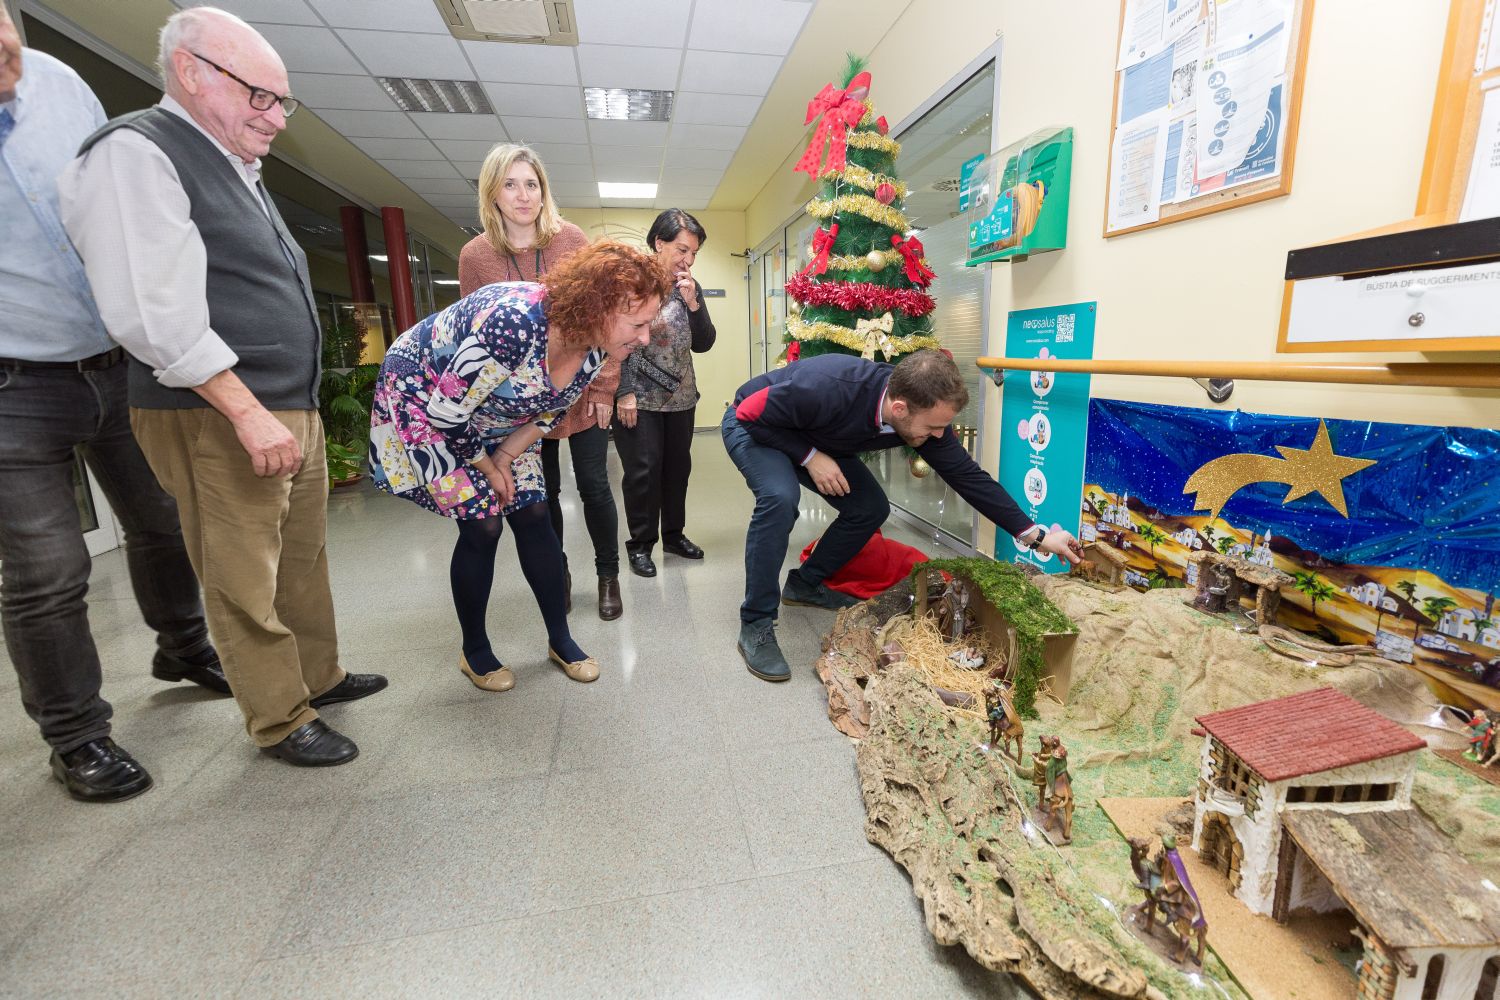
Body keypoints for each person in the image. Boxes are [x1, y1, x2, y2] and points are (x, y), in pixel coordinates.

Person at [58, 6, 386, 768]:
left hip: (283, 403)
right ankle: (279, 717)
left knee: (301, 557)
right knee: (243, 574)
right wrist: (244, 411)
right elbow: (151, 312)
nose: (274, 117)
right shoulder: (137, 153)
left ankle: (318, 674)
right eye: (260, 97)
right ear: (192, 73)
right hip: (218, 410)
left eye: (282, 102)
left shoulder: (235, 162)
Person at [0, 5, 228, 803]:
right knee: (48, 570)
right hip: (12, 383)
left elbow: (121, 210)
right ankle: (76, 736)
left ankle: (184, 645)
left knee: (163, 519)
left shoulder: (61, 84)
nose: (3, 44)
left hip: (116, 358)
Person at [369, 241, 667, 693]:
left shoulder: (595, 347)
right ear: (599, 306)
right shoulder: (514, 323)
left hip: (496, 413)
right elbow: (447, 412)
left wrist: (505, 456)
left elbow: (549, 413)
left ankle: (560, 639)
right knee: (483, 525)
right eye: (639, 323)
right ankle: (475, 652)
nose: (644, 338)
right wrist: (489, 470)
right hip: (424, 399)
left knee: (532, 514)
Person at [723, 350, 1083, 681]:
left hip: (815, 437)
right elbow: (748, 413)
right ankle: (755, 622)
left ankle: (805, 584)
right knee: (779, 498)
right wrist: (810, 457)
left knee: (869, 508)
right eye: (933, 428)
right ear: (899, 409)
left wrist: (1036, 535)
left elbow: (969, 478)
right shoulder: (830, 386)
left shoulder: (924, 413)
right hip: (758, 427)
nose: (940, 436)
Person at [458, 143, 625, 622]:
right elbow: (476, 335)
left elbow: (605, 317)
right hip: (520, 403)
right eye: (510, 184)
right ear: (493, 193)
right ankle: (561, 571)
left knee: (595, 486)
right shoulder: (475, 256)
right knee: (542, 494)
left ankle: (608, 575)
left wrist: (604, 387)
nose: (523, 195)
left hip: (579, 388)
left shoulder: (570, 238)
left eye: (531, 184)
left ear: (543, 191)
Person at [614, 209, 715, 579]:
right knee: (643, 472)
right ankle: (640, 546)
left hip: (681, 398)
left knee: (677, 471)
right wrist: (623, 391)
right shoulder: (630, 283)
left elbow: (704, 343)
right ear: (659, 243)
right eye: (682, 250)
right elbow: (617, 341)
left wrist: (693, 304)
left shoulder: (690, 286)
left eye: (693, 254)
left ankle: (674, 536)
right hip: (638, 399)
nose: (687, 260)